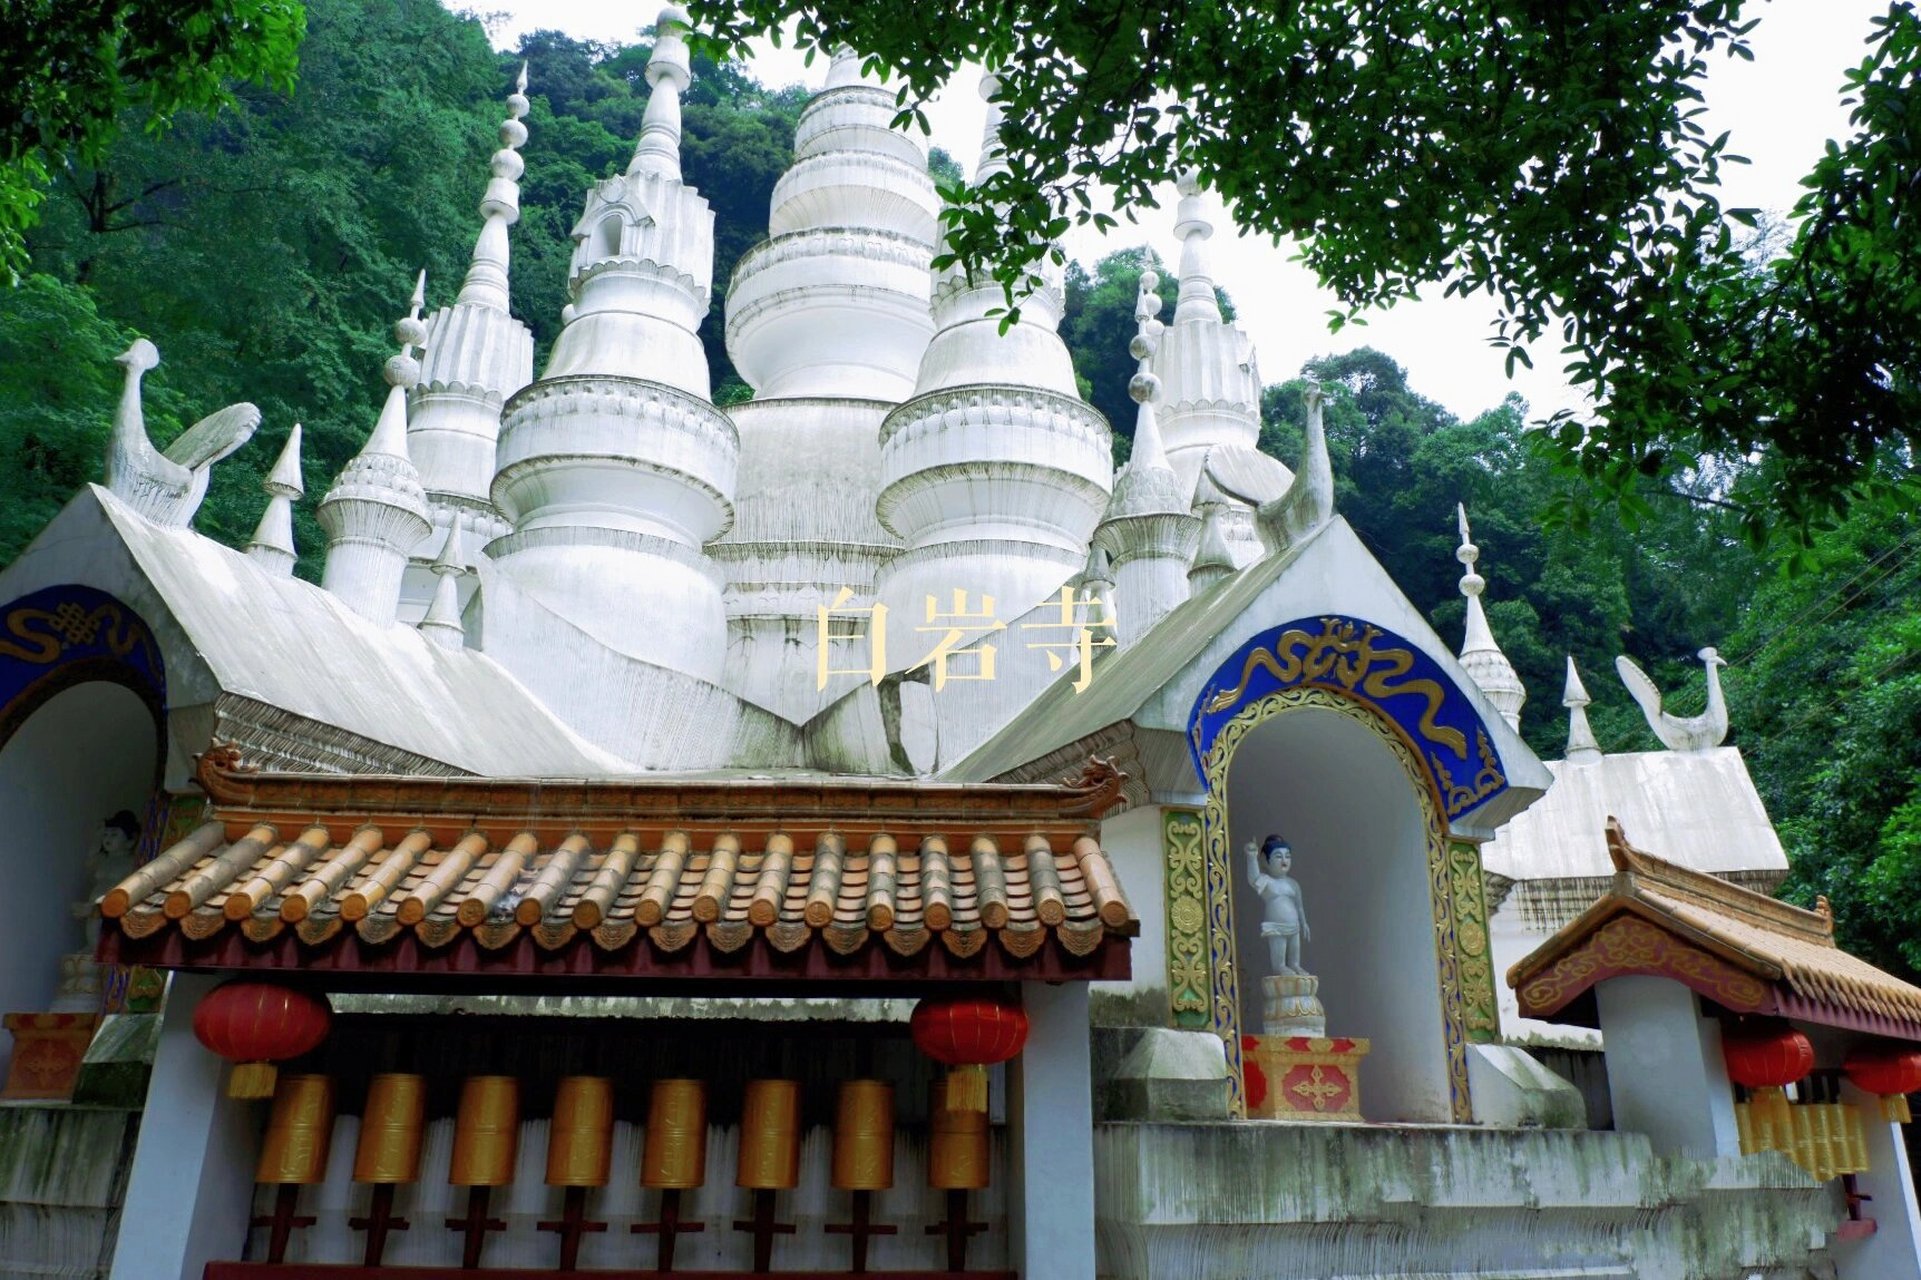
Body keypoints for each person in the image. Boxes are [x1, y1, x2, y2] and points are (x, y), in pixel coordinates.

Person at [1244, 834, 1309, 976]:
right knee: (1279, 951)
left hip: (1294, 926)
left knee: (1294, 950)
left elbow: (1299, 906)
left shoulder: (1293, 884)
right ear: (1266, 862)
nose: (1284, 860)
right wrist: (1252, 857)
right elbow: (1253, 879)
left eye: (1287, 856)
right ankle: (1280, 967)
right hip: (1276, 926)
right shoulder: (1267, 881)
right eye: (1278, 856)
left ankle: (1295, 965)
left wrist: (1304, 923)